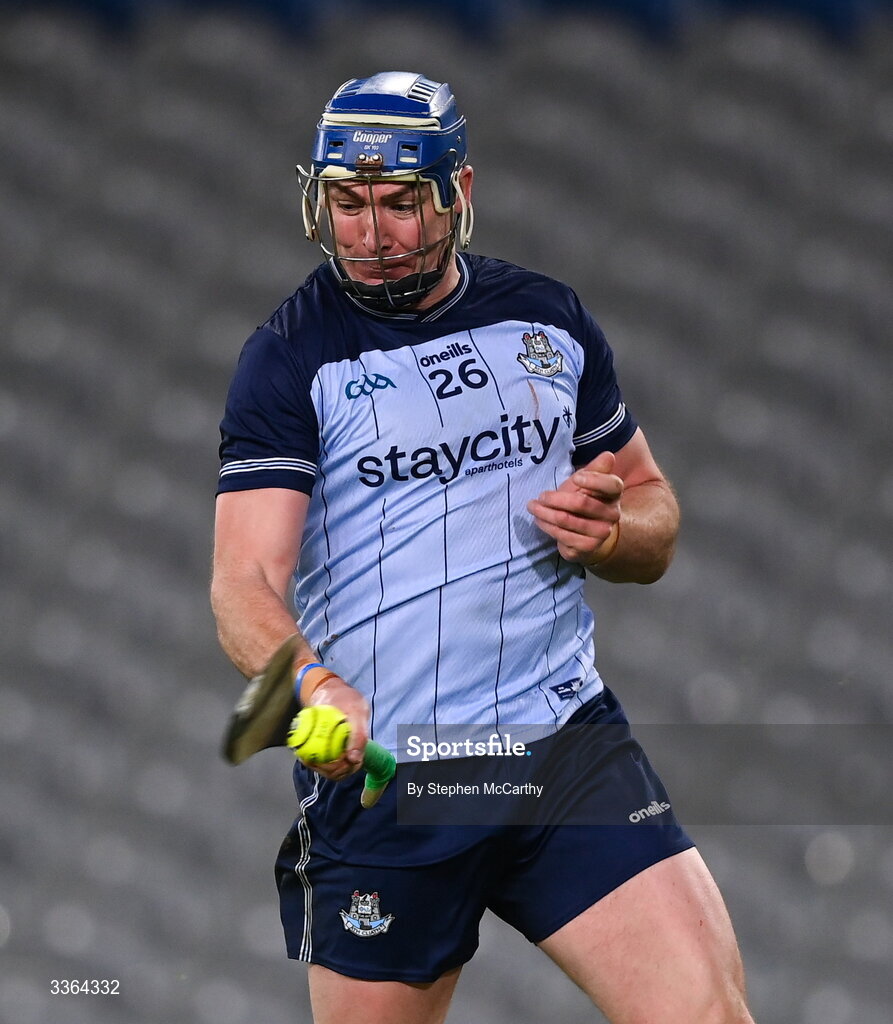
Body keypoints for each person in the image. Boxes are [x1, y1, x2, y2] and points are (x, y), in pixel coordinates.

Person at [211, 71, 754, 1024]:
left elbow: (653, 511)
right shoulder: (289, 359)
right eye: (347, 204)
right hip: (396, 783)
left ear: (458, 195)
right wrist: (313, 686)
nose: (370, 235)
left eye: (398, 204)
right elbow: (243, 583)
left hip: (564, 749)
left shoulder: (547, 320)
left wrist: (617, 531)